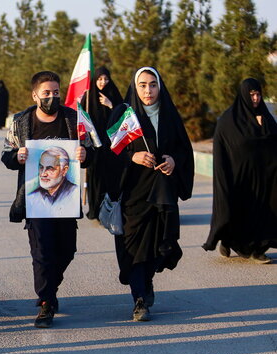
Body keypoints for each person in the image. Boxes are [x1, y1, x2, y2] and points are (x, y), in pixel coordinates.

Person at [1, 71, 93, 328]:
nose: (52, 97)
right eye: (46, 93)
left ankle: (49, 288)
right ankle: (45, 303)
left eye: (56, 92)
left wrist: (85, 153)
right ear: (35, 95)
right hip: (35, 199)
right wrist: (16, 157)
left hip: (66, 199)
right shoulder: (21, 121)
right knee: (41, 253)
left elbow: (94, 150)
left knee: (66, 251)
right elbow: (6, 155)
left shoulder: (74, 119)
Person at [109, 67, 194, 322]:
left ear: (160, 87)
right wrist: (132, 156)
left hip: (162, 194)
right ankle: (139, 298)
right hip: (133, 195)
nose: (148, 90)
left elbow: (184, 150)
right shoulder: (124, 115)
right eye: (143, 85)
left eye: (153, 85)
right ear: (135, 87)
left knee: (156, 247)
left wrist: (173, 161)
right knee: (133, 248)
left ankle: (145, 285)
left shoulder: (169, 114)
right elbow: (108, 154)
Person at [203, 78, 277, 263]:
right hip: (238, 178)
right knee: (236, 213)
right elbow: (223, 150)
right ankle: (228, 240)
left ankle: (258, 249)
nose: (256, 98)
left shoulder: (266, 117)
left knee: (263, 212)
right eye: (252, 94)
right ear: (244, 94)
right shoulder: (229, 120)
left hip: (263, 178)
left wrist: (262, 126)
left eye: (258, 94)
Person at [80, 67, 124, 220]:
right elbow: (82, 121)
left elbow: (123, 118)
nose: (103, 82)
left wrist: (111, 105)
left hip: (111, 145)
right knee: (95, 177)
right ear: (94, 80)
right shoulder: (88, 96)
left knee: (110, 177)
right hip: (94, 146)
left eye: (106, 79)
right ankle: (96, 210)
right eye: (99, 79)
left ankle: (110, 210)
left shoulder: (114, 94)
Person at [26, 146, 79, 217]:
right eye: (41, 167)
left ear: (64, 170)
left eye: (50, 168)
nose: (43, 174)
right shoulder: (33, 196)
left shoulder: (73, 192)